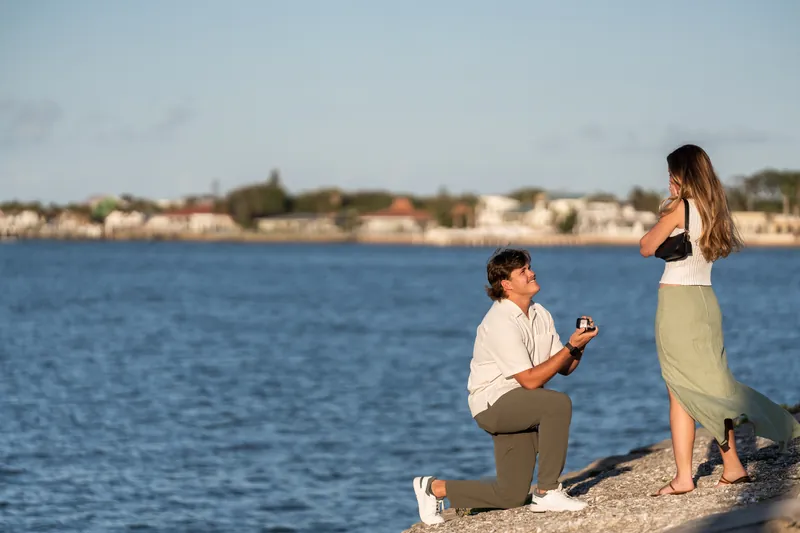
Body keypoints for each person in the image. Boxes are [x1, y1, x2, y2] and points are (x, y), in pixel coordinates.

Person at [639, 144, 800, 496]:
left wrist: (668, 210)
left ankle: (687, 477)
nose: (668, 181)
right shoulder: (714, 209)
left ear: (682, 177)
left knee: (680, 389)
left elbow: (647, 246)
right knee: (708, 384)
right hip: (706, 302)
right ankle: (731, 466)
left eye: (671, 175)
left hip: (678, 303)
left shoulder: (679, 207)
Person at [412, 248, 599, 525]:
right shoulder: (500, 321)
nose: (532, 273)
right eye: (523, 271)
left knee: (510, 495)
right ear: (506, 284)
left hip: (522, 403)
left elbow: (564, 368)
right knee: (557, 404)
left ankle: (434, 488)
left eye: (529, 267)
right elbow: (531, 380)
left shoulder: (540, 313)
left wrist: (578, 346)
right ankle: (548, 491)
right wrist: (570, 347)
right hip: (493, 405)